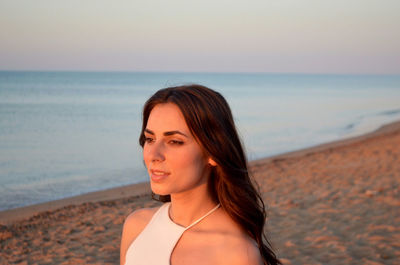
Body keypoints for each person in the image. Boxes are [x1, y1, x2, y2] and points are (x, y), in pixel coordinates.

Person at [120, 84, 280, 265]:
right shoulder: (136, 226)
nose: (153, 155)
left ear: (213, 152)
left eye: (174, 141)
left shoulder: (236, 254)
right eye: (150, 139)